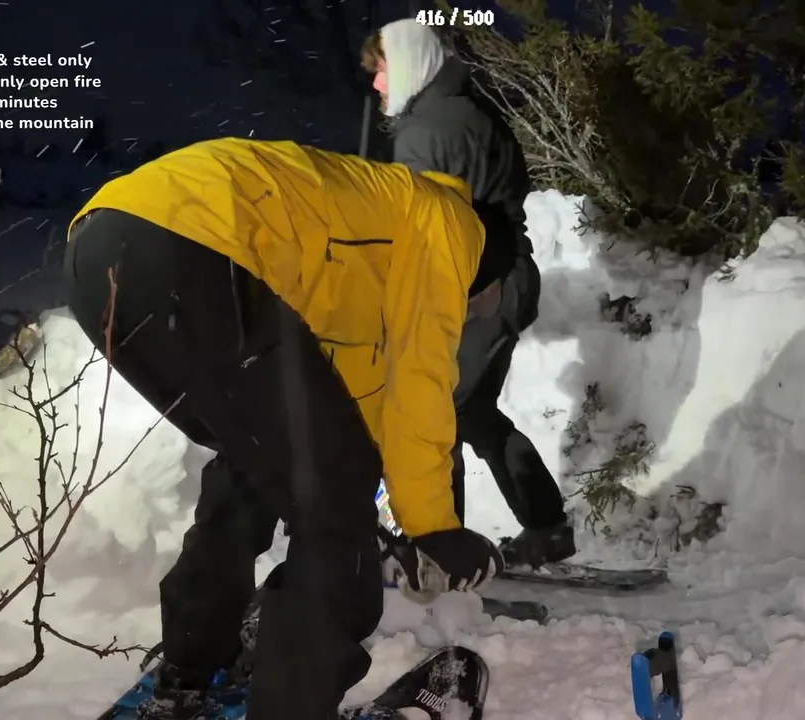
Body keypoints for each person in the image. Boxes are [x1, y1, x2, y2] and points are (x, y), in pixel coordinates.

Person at [63, 138, 504, 720]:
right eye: (477, 299)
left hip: (100, 251)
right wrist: (433, 526)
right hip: (193, 246)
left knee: (253, 464)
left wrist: (375, 498)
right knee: (334, 503)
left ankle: (188, 672)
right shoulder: (449, 222)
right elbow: (421, 379)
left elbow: (341, 402)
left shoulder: (362, 236)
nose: (469, 310)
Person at [361, 19, 576, 567]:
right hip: (501, 280)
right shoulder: (460, 111)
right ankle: (546, 528)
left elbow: (422, 230)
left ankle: (436, 548)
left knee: (430, 416)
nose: (377, 84)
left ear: (409, 64)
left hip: (478, 288)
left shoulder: (430, 130)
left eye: (382, 70)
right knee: (473, 414)